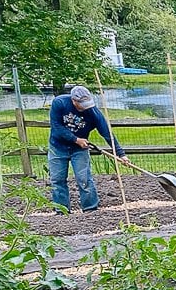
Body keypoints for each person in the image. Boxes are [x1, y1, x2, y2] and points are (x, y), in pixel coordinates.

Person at [48, 85, 125, 213]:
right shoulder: (60, 103)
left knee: (84, 178)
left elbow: (106, 132)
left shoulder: (93, 112)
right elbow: (56, 126)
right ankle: (61, 210)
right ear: (74, 101)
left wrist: (121, 154)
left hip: (79, 150)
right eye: (82, 104)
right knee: (57, 179)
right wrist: (76, 140)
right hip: (57, 147)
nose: (85, 107)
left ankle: (90, 209)